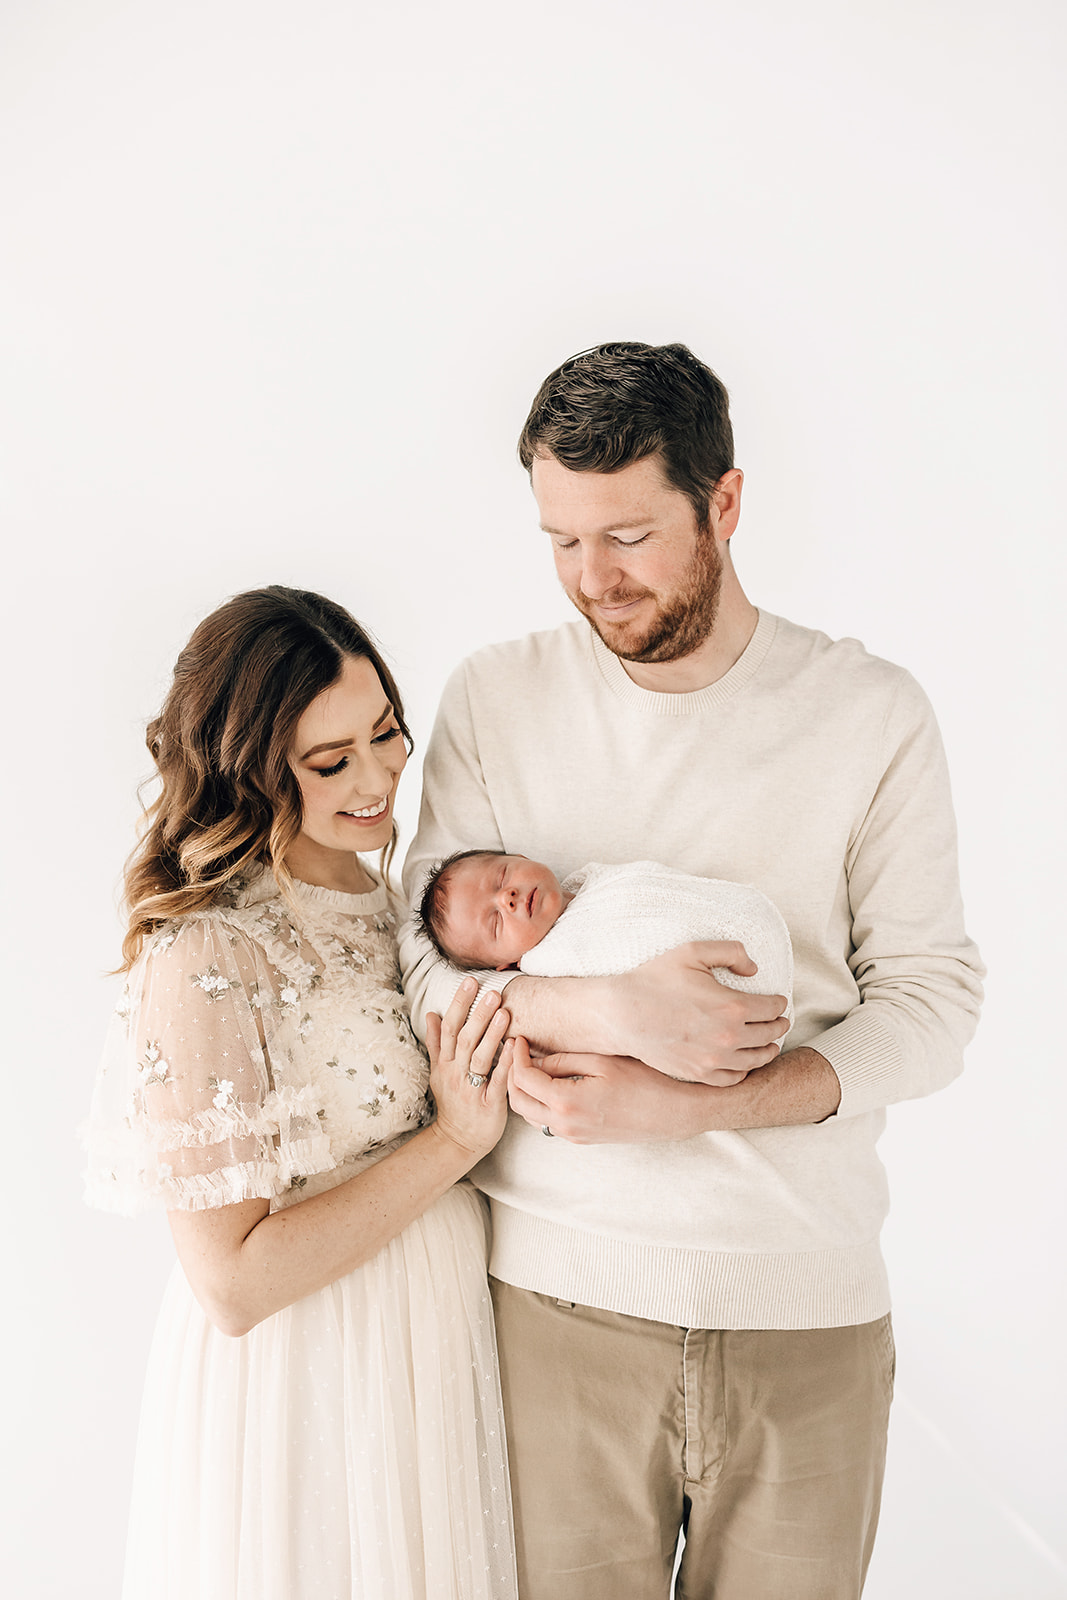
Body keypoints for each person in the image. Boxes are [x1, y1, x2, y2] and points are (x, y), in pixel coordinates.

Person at [399, 342, 985, 1600]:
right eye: (558, 540)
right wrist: (598, 1006)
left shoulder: (868, 713)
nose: (589, 581)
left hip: (805, 1311)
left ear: (722, 503)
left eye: (625, 536)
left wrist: (698, 1104)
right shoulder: (494, 699)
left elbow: (930, 1005)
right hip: (551, 1305)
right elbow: (412, 964)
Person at [83, 586, 519, 1600]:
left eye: (385, 733)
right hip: (312, 1379)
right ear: (249, 768)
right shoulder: (210, 949)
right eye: (330, 763)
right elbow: (230, 1284)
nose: (376, 779)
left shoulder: (407, 898)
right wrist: (452, 1143)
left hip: (434, 1349)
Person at [416, 854, 793, 1056]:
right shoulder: (549, 965)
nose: (507, 897)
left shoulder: (594, 881)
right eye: (495, 922)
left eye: (502, 876)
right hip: (699, 1012)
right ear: (506, 966)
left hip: (741, 940)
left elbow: (654, 888)